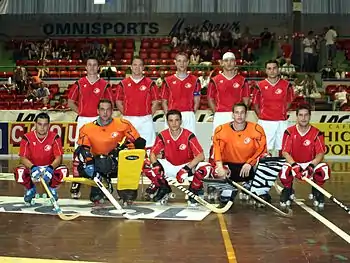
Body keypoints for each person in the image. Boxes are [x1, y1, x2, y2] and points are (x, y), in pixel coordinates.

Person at [75, 99, 146, 204]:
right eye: (102, 109)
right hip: (98, 165)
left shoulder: (123, 124)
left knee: (129, 196)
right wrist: (89, 163)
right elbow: (83, 149)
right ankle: (102, 183)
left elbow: (140, 142)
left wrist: (126, 148)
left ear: (112, 111)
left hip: (118, 163)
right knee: (86, 164)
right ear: (97, 111)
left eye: (108, 110)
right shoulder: (86, 128)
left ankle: (126, 190)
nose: (105, 112)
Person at [143, 109, 213, 205]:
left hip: (186, 166)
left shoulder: (188, 135)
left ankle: (193, 190)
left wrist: (186, 168)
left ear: (181, 121)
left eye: (177, 120)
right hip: (169, 165)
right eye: (171, 120)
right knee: (146, 163)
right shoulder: (162, 135)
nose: (174, 123)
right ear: (167, 122)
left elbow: (201, 155)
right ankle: (164, 188)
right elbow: (152, 153)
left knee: (206, 168)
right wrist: (155, 165)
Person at [68, 57, 114, 199]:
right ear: (86, 67)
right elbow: (70, 102)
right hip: (83, 120)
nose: (92, 67)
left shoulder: (105, 85)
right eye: (89, 65)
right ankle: (76, 182)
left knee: (101, 150)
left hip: (100, 121)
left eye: (95, 65)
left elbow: (110, 105)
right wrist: (82, 112)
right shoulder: (79, 83)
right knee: (80, 151)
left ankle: (103, 180)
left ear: (98, 67)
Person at [211, 102, 275, 205]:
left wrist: (250, 163)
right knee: (215, 167)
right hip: (230, 167)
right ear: (232, 115)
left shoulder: (256, 129)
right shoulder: (221, 130)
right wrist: (220, 168)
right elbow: (217, 151)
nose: (239, 115)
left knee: (267, 157)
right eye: (236, 113)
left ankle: (258, 188)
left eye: (242, 113)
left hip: (249, 166)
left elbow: (262, 149)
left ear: (246, 114)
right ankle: (227, 188)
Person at [279, 104, 330, 209]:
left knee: (324, 170)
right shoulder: (289, 131)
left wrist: (311, 166)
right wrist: (294, 165)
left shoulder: (317, 133)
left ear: (310, 116)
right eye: (301, 115)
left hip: (310, 162)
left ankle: (317, 190)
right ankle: (288, 190)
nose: (303, 118)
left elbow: (320, 153)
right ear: (297, 117)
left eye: (306, 115)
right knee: (283, 170)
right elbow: (285, 152)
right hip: (294, 162)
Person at [13, 112, 68, 204]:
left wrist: (50, 168)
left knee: (64, 171)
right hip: (33, 168)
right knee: (19, 171)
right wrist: (33, 167)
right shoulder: (27, 137)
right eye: (39, 124)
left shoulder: (55, 137)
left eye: (45, 124)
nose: (42, 127)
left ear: (49, 125)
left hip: (49, 168)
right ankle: (30, 189)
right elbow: (23, 158)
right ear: (35, 124)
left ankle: (52, 188)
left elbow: (59, 158)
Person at [115, 57, 160, 152]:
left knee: (148, 147)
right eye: (135, 65)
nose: (137, 67)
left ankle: (148, 166)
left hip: (146, 120)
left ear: (143, 67)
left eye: (140, 65)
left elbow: (156, 102)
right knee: (128, 147)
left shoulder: (150, 83)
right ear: (131, 67)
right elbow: (118, 102)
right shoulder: (123, 83)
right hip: (128, 120)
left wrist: (148, 114)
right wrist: (126, 113)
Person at [252, 59, 294, 156]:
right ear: (266, 70)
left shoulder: (287, 85)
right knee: (265, 149)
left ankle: (281, 170)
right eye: (269, 68)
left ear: (278, 70)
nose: (272, 71)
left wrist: (281, 111)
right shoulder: (259, 86)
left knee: (283, 148)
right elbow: (255, 104)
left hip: (281, 121)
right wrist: (262, 116)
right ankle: (265, 169)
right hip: (265, 122)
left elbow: (289, 102)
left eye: (274, 68)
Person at [207, 52, 250, 133]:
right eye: (226, 61)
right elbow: (210, 98)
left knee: (237, 142)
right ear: (222, 63)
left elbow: (246, 99)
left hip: (237, 115)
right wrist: (217, 111)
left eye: (231, 60)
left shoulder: (243, 80)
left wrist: (240, 112)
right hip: (220, 115)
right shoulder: (214, 80)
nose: (229, 63)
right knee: (218, 142)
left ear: (235, 62)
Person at [160, 52, 201, 134]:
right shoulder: (167, 81)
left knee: (188, 142)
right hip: (172, 114)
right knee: (170, 143)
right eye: (179, 61)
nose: (182, 63)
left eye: (184, 61)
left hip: (188, 114)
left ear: (188, 62)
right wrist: (168, 116)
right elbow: (164, 101)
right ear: (175, 62)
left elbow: (197, 100)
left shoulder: (195, 80)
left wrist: (191, 113)